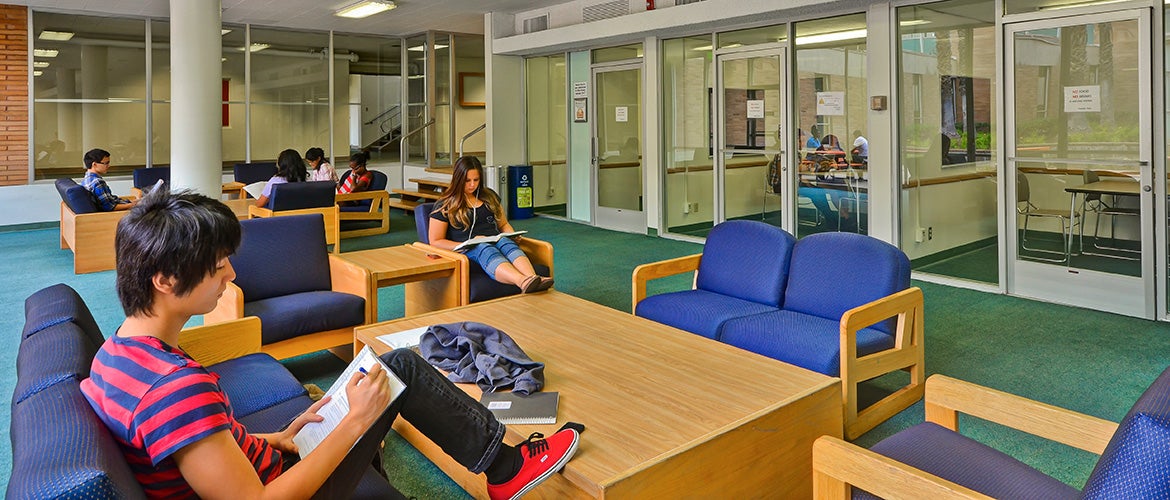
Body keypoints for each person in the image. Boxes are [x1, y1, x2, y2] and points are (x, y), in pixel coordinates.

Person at [80, 188, 580, 500]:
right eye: (217, 267)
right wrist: (356, 421)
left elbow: (199, 445)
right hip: (285, 489)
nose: (230, 274)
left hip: (270, 462)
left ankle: (499, 466)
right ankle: (508, 469)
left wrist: (274, 437)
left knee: (386, 371)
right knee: (399, 371)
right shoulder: (174, 388)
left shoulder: (117, 353)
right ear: (165, 280)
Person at [429, 156, 553, 294]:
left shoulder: (489, 196)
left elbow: (503, 224)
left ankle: (534, 278)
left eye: (476, 180)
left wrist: (511, 235)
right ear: (458, 179)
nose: (472, 185)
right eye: (467, 181)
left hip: (494, 240)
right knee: (483, 247)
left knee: (505, 242)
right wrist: (466, 243)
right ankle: (522, 281)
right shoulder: (445, 205)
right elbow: (435, 241)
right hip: (467, 249)